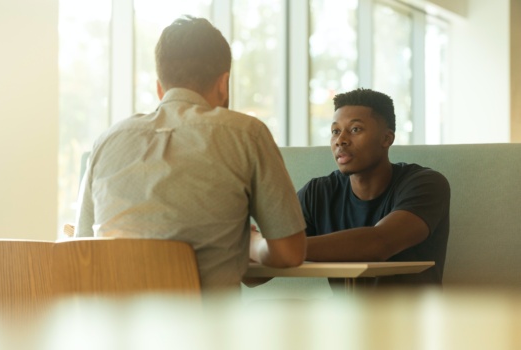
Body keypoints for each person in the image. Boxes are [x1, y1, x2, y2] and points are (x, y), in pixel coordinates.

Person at [74, 16, 306, 292]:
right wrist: (252, 243)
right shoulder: (247, 134)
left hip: (114, 331)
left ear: (160, 88)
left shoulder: (106, 141)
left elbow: (81, 249)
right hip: (206, 331)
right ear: (224, 84)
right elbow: (289, 253)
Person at [296, 88, 450, 287]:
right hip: (346, 316)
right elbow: (255, 276)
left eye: (355, 130)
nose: (340, 140)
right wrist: (254, 247)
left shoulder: (426, 184)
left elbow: (378, 243)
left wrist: (279, 248)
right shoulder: (317, 193)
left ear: (386, 138)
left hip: (412, 316)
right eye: (335, 131)